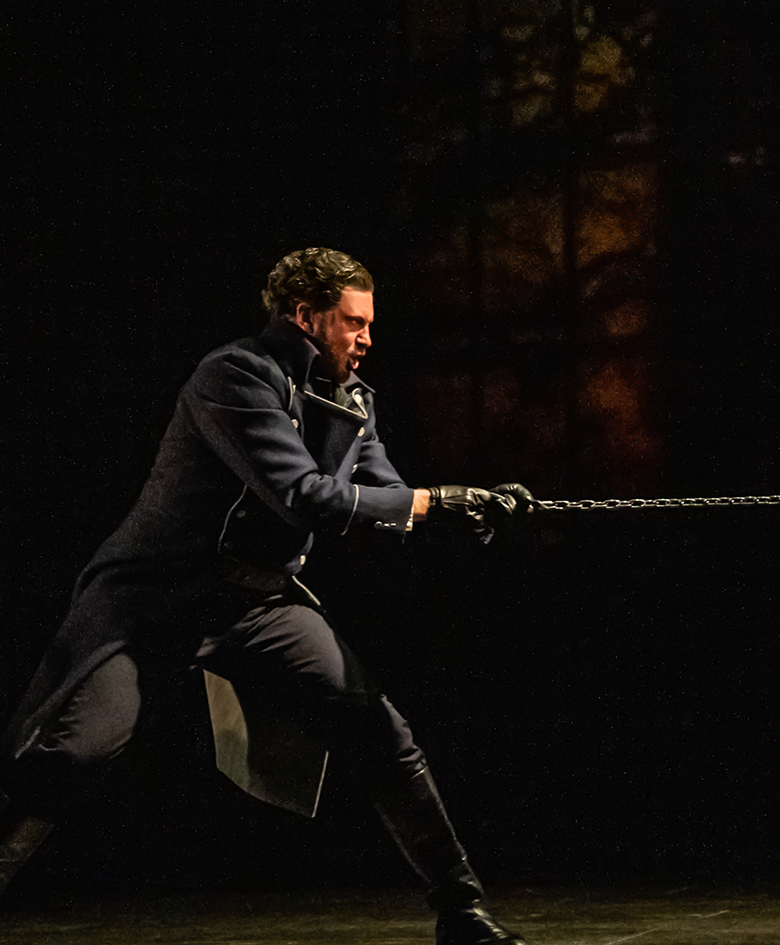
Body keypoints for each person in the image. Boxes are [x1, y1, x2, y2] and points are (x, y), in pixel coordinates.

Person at [0, 247, 538, 945]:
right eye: (353, 322)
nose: (367, 337)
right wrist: (436, 504)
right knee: (74, 753)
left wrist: (476, 509)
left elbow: (386, 500)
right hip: (155, 599)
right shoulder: (235, 375)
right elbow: (303, 496)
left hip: (257, 602)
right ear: (304, 315)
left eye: (368, 323)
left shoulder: (353, 400)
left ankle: (462, 911)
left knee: (380, 731)